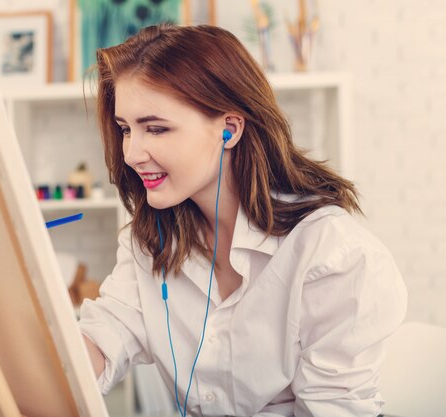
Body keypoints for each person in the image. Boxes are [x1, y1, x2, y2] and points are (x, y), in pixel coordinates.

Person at [78, 23, 407, 417]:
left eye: (156, 128)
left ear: (229, 131)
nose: (131, 153)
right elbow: (103, 338)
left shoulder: (331, 254)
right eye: (125, 129)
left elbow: (335, 409)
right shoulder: (149, 241)